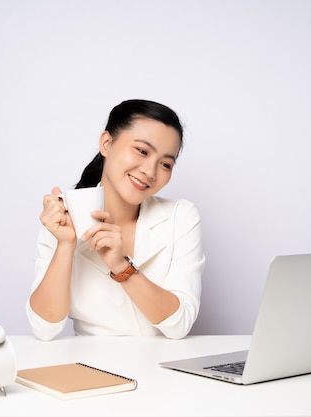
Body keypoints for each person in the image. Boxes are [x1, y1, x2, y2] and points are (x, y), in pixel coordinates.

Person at [26, 99, 205, 341]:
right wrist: (65, 245)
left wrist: (122, 266)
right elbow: (44, 329)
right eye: (142, 151)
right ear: (106, 143)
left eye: (165, 164)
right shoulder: (62, 217)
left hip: (163, 369)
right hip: (89, 370)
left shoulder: (180, 216)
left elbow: (179, 324)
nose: (150, 171)